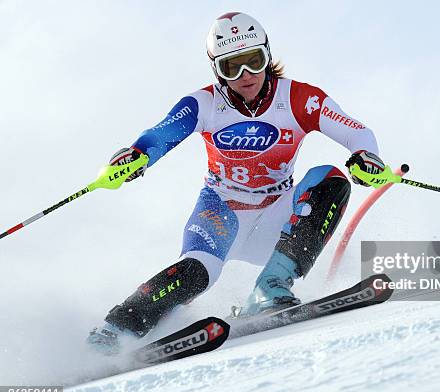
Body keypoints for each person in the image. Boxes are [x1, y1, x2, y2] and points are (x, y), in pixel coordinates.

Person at [87, 12, 386, 354]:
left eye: (254, 61)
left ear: (267, 56)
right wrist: (137, 155)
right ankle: (112, 332)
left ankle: (270, 288)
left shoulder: (299, 98)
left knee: (331, 179)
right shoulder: (204, 103)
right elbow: (160, 135)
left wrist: (366, 156)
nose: (246, 76)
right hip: (220, 213)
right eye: (232, 67)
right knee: (196, 275)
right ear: (217, 70)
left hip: (278, 217)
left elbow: (357, 132)